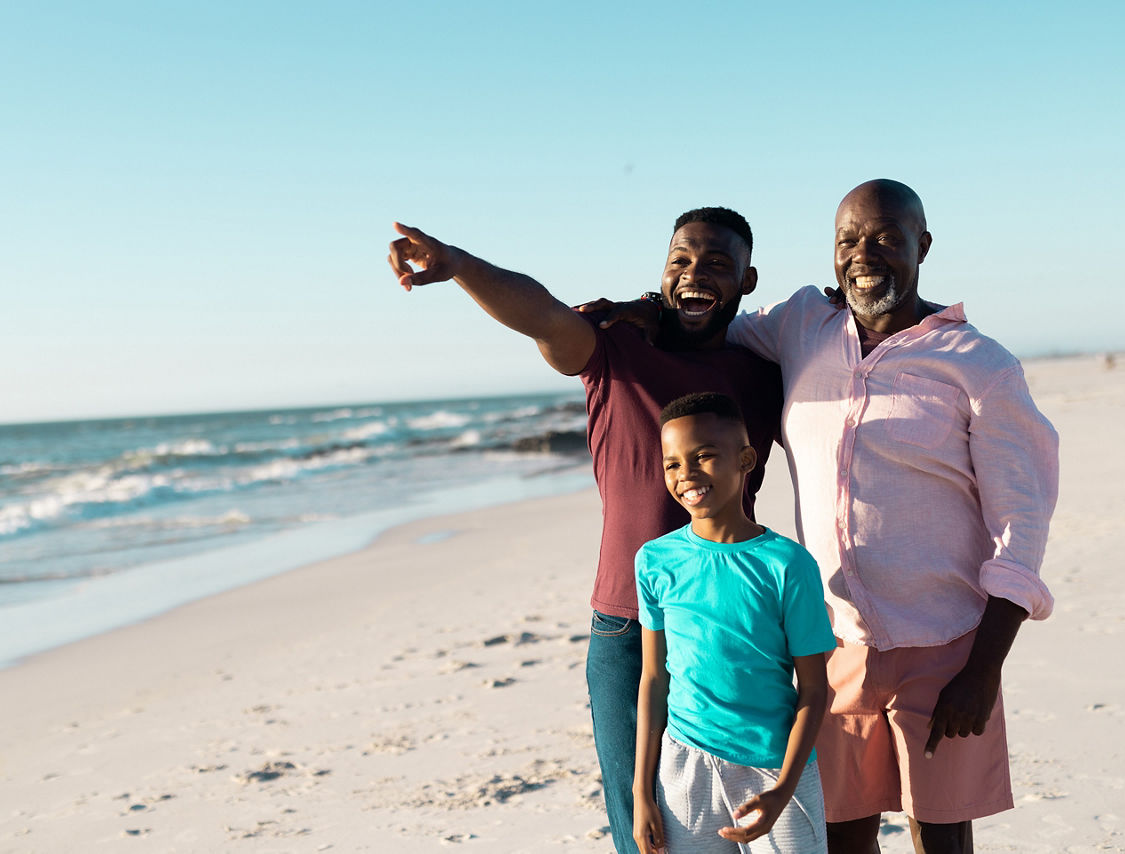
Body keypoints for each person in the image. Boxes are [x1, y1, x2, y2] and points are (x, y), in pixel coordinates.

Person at [596, 180, 1059, 854]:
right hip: (831, 642)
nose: (863, 254)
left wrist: (984, 667)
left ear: (921, 245)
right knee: (839, 836)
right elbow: (709, 321)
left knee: (941, 837)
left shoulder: (979, 364)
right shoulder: (800, 326)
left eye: (885, 238)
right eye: (848, 240)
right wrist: (646, 310)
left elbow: (1023, 521)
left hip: (946, 644)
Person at [387, 208, 784, 854]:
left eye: (717, 264)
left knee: (734, 822)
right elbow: (541, 315)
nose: (694, 274)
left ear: (747, 279)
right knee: (645, 829)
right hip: (628, 630)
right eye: (680, 260)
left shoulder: (763, 374)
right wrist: (458, 265)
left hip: (730, 620)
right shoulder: (615, 350)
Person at [633, 392, 834, 854]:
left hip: (774, 766)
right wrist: (642, 792)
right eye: (672, 464)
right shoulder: (654, 561)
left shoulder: (787, 564)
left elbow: (815, 689)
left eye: (703, 456)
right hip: (685, 765)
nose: (686, 475)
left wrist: (784, 789)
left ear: (746, 459)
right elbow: (652, 679)